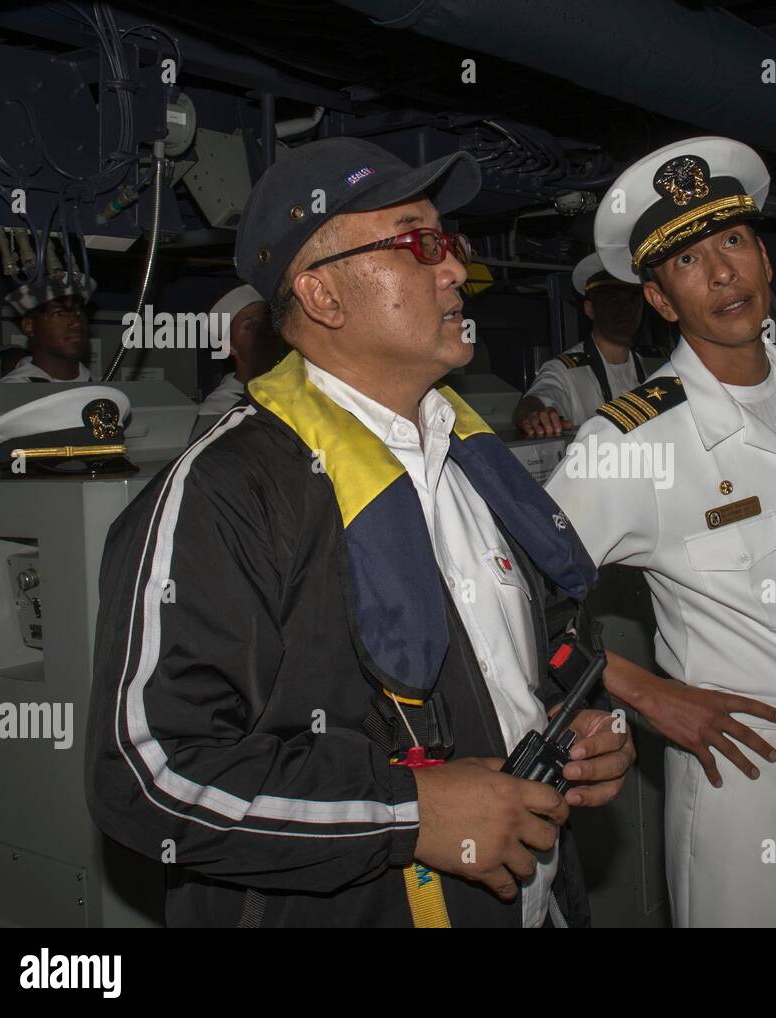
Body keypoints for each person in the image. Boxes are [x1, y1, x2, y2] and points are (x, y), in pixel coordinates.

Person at [85, 136, 633, 928]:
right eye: (417, 243)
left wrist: (585, 721)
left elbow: (548, 645)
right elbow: (149, 773)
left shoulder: (476, 460)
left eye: (449, 243)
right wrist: (405, 813)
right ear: (323, 296)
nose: (453, 269)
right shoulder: (226, 492)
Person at [546, 136, 776, 927]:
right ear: (662, 301)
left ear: (766, 259)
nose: (723, 273)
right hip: (745, 775)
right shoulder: (634, 441)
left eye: (734, 242)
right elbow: (513, 588)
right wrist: (645, 694)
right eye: (689, 262)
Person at [513, 253, 658, 437]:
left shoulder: (656, 364)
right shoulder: (565, 371)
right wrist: (534, 414)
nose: (625, 308)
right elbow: (538, 399)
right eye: (612, 300)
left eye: (633, 299)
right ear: (590, 309)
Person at [196, 284, 288, 415]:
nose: (264, 331)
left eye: (268, 321)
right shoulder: (216, 411)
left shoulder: (296, 389)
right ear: (229, 346)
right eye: (250, 326)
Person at [0, 294, 93, 383]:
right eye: (59, 313)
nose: (76, 322)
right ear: (29, 326)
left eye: (79, 312)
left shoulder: (102, 387)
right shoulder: (11, 392)